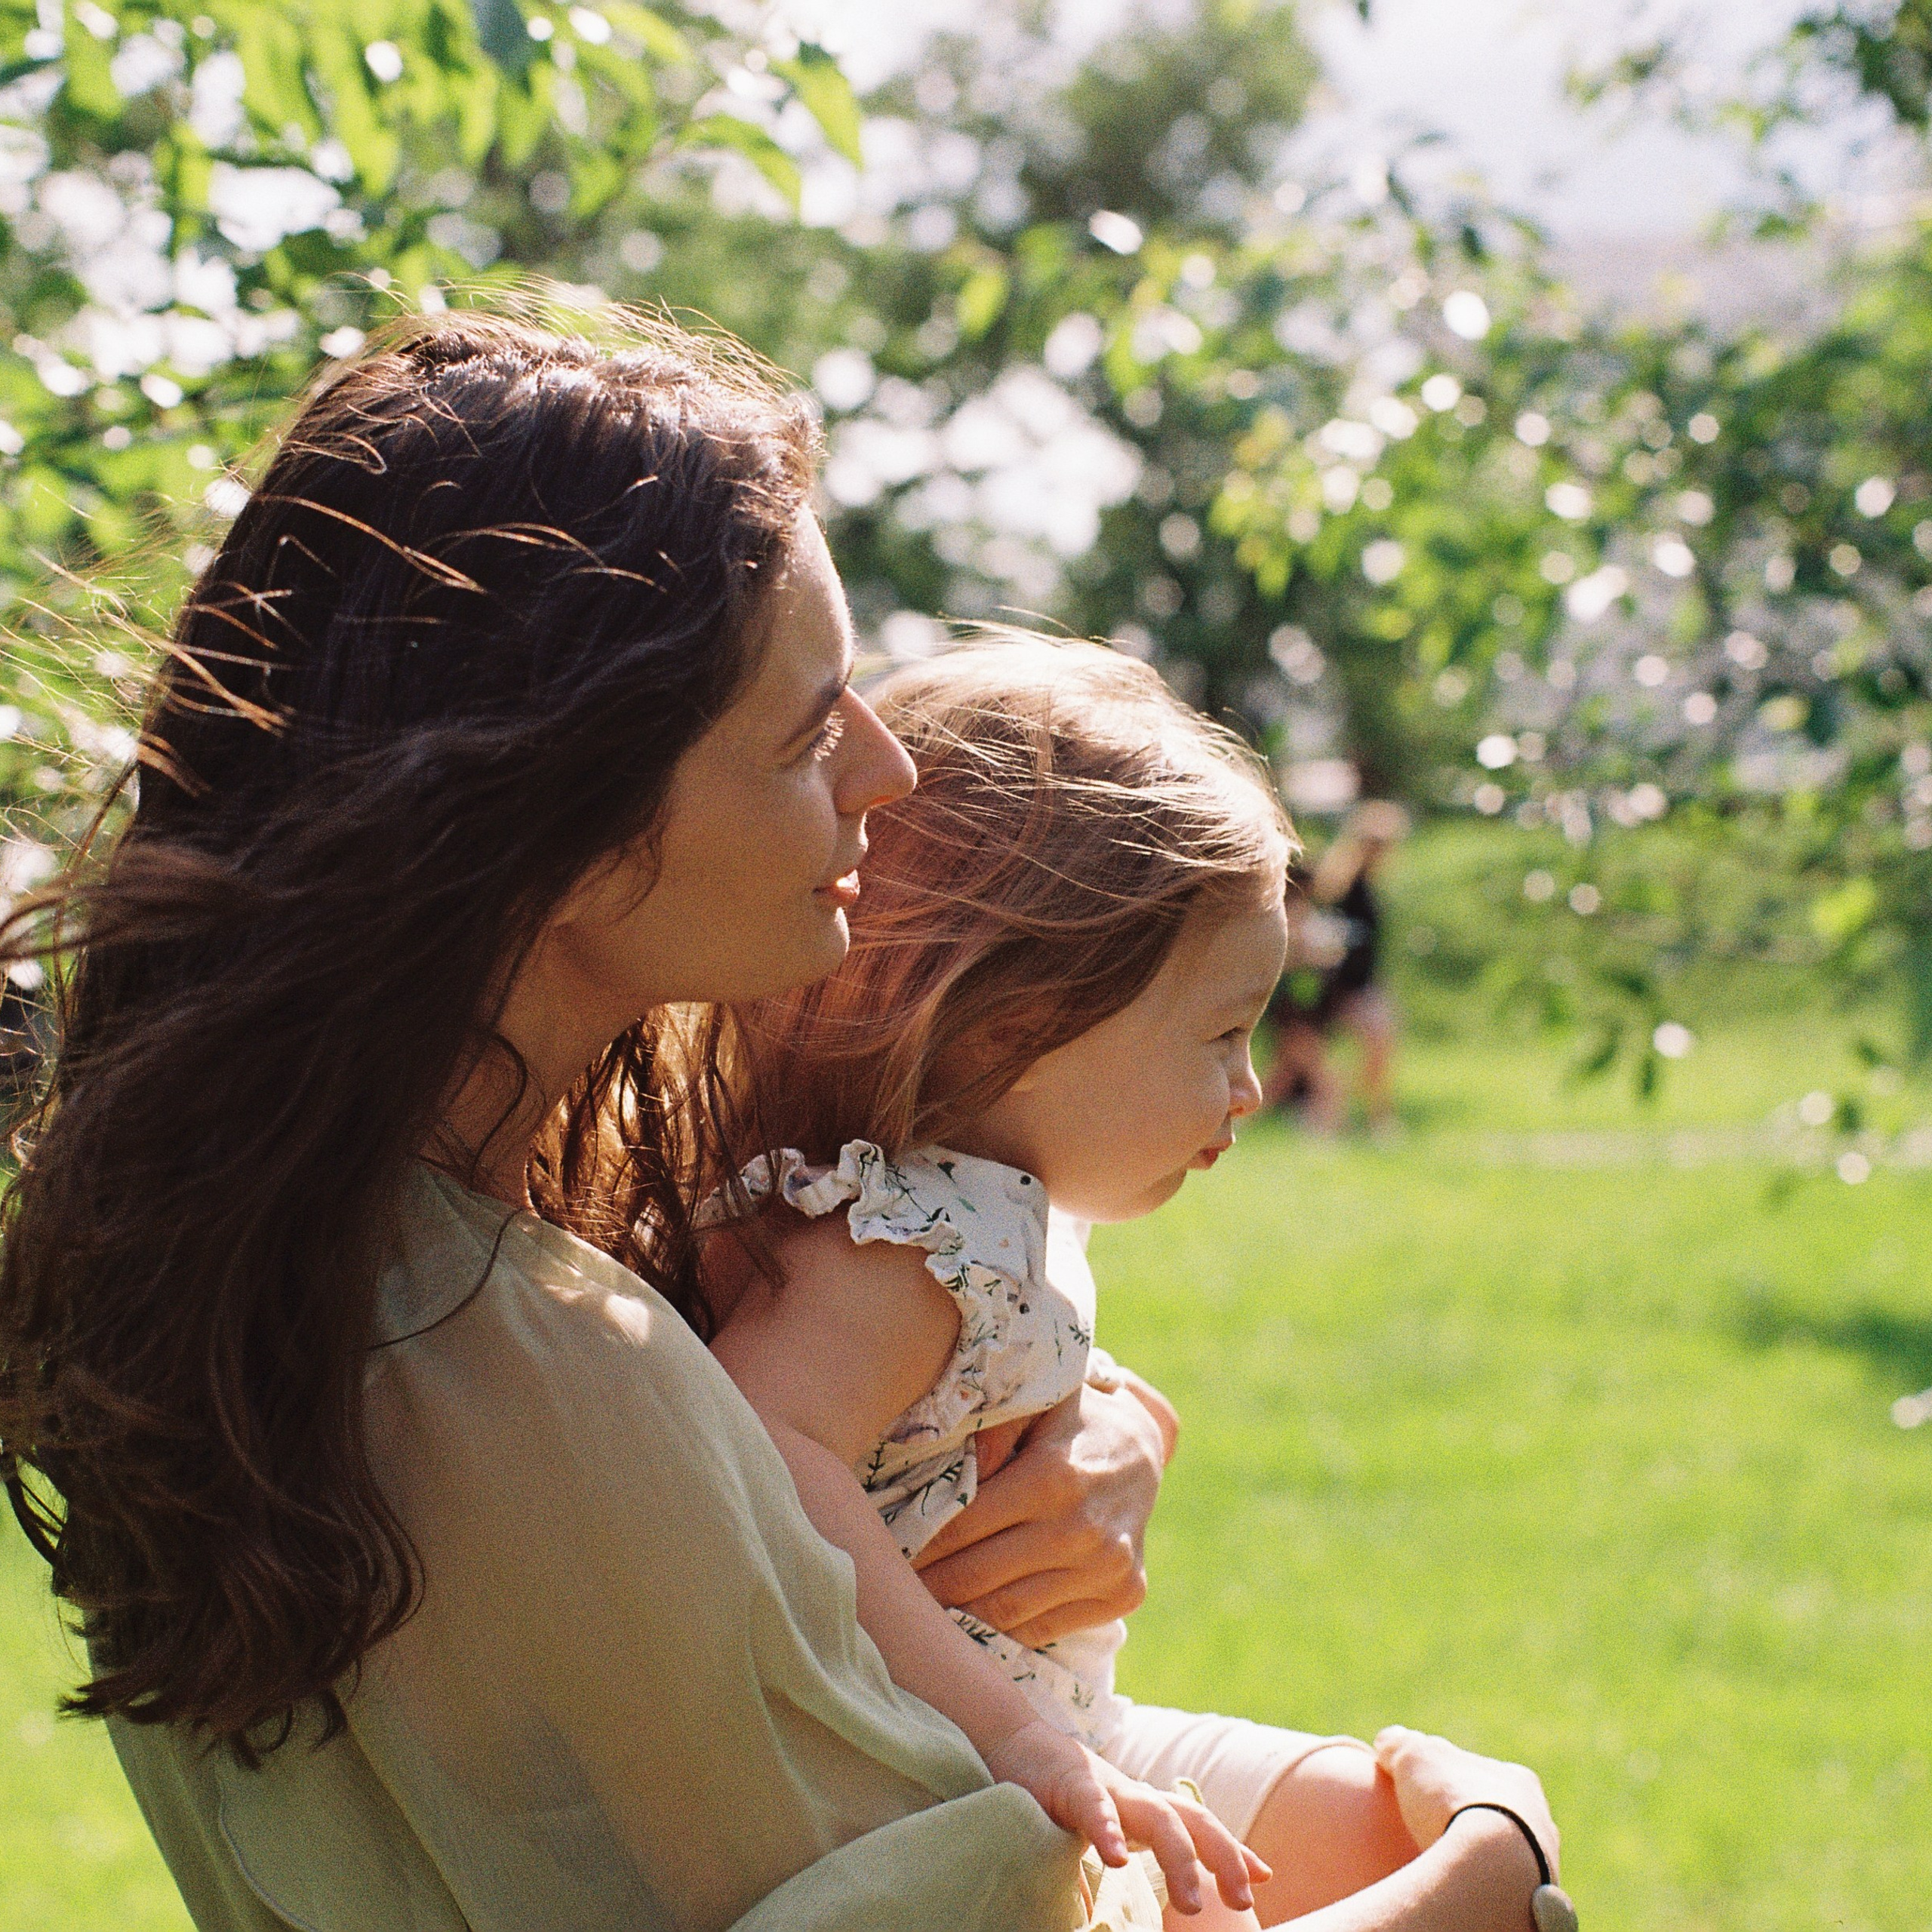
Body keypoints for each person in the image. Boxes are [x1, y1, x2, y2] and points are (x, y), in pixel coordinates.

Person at [0, 307, 1559, 1932]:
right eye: (811, 727)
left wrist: (1065, 1415)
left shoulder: (330, 1254)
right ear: (578, 821)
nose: (886, 772)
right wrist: (1477, 1879)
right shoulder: (521, 1367)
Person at [702, 641, 1561, 1930]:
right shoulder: (900, 1252)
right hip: (942, 1781)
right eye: (1221, 1033)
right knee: (1446, 1866)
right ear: (1016, 1025)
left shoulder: (976, 1221)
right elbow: (760, 1455)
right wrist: (1029, 1750)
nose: (1252, 1088)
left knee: (1377, 1824)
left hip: (1046, 1736)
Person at [1263, 802, 1409, 1135]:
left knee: (1301, 1070)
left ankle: (1368, 1120)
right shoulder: (1336, 885)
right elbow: (1308, 932)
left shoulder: (1370, 886)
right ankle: (1369, 1121)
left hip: (1353, 983)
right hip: (1330, 987)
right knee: (1315, 1070)